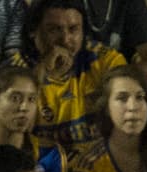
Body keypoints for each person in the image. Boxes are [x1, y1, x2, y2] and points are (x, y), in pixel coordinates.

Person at [12, 0, 126, 156]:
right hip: (43, 166)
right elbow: (15, 139)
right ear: (33, 31)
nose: (65, 39)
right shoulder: (17, 72)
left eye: (73, 29)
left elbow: (130, 115)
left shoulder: (104, 61)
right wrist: (41, 72)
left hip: (100, 163)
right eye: (54, 30)